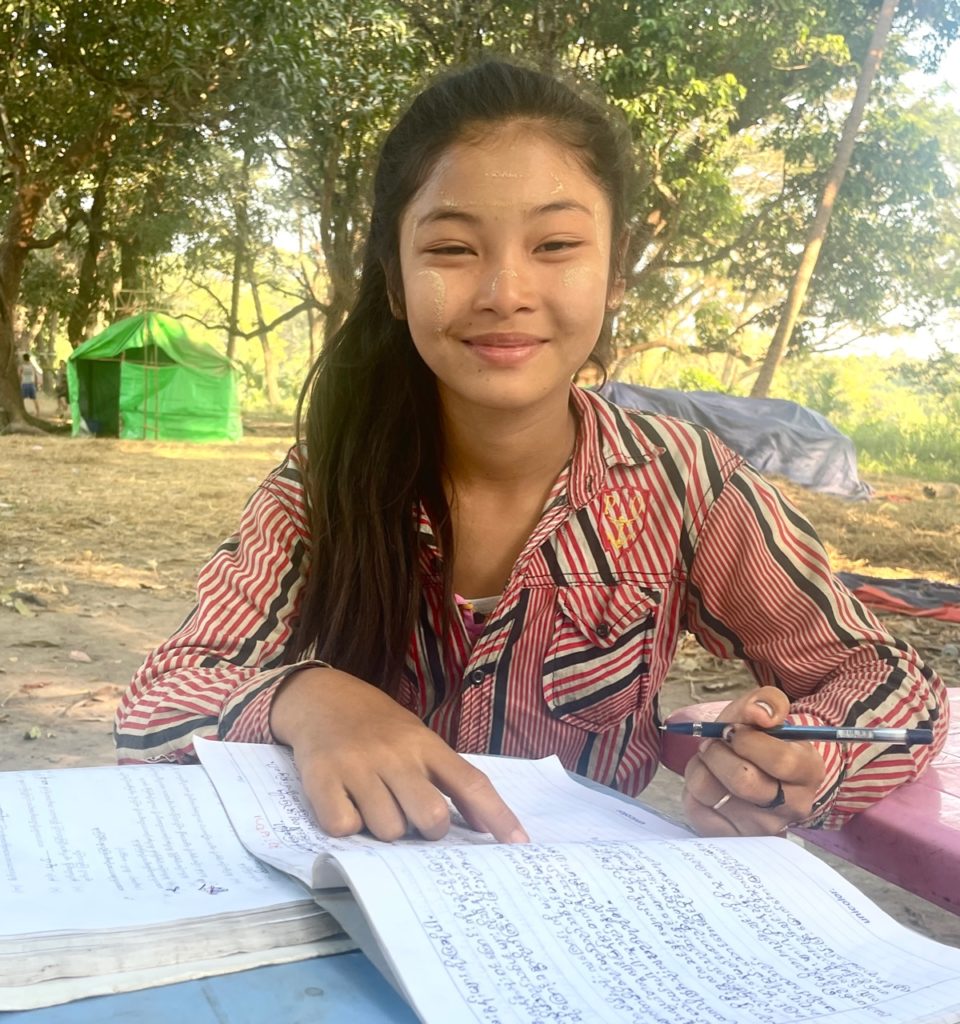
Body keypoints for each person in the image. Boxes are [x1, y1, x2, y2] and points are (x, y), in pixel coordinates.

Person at [115, 59, 947, 845]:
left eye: (554, 246)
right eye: (451, 248)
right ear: (397, 284)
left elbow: (891, 683)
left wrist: (803, 764)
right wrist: (309, 699)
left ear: (615, 275)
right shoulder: (322, 490)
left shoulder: (686, 487)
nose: (505, 292)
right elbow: (157, 704)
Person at [18, 352, 41, 417]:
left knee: (22, 398)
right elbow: (35, 374)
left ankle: (21, 412)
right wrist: (36, 383)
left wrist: (20, 382)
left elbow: (19, 375)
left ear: (23, 359)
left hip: (24, 383)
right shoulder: (32, 366)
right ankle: (38, 412)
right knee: (34, 398)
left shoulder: (22, 366)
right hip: (31, 383)